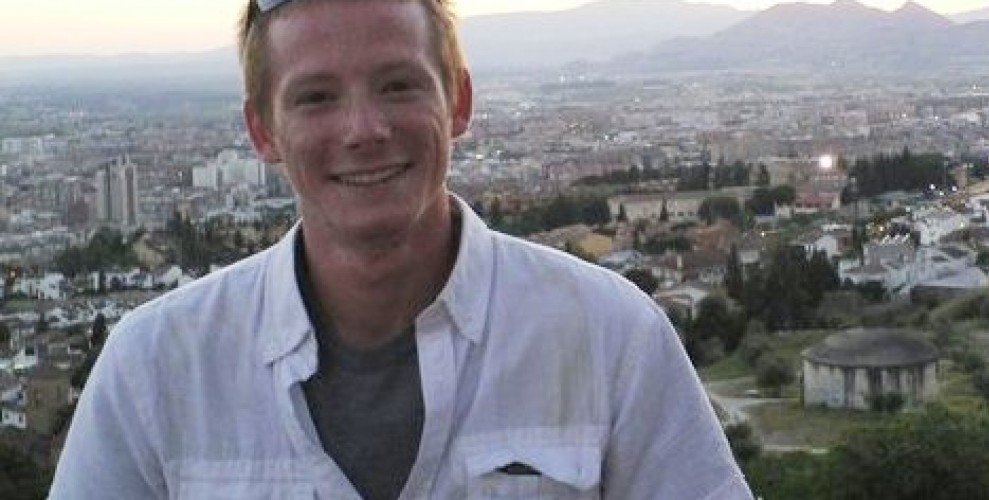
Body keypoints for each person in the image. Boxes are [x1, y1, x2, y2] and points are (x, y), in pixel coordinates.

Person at [50, 0, 752, 498]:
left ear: (459, 102)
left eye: (398, 85)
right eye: (316, 97)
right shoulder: (154, 369)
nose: (364, 129)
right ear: (263, 131)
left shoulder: (610, 337)